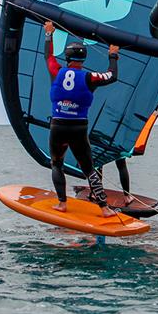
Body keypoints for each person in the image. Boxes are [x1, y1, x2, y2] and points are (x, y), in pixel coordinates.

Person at [43, 21, 119, 217]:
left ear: (67, 57)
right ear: (83, 58)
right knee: (89, 169)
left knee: (56, 164)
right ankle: (104, 208)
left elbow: (49, 56)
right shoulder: (89, 77)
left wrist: (49, 34)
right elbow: (111, 76)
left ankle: (62, 204)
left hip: (58, 125)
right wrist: (113, 55)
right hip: (78, 128)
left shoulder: (57, 71)